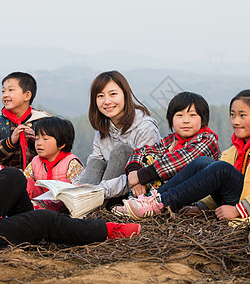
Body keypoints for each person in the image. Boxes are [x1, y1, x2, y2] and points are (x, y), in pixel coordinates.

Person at [0, 120, 141, 268]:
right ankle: (107, 230)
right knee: (44, 219)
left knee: (14, 177)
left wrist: (7, 173)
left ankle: (32, 227)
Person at [114, 90, 250, 230]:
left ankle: (159, 204)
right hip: (239, 194)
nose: (235, 121)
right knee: (204, 163)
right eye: (233, 115)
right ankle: (151, 201)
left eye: (242, 115)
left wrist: (239, 210)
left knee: (220, 168)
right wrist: (201, 207)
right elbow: (213, 181)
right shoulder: (238, 146)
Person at [73, 71, 161, 200]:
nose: (107, 101)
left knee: (122, 150)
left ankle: (92, 205)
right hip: (102, 190)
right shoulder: (102, 130)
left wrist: (98, 191)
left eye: (113, 94)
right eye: (100, 96)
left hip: (134, 191)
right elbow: (94, 165)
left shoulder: (145, 127)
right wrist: (75, 186)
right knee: (95, 162)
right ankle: (80, 201)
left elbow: (142, 174)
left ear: (125, 94)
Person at [125, 91, 221, 197]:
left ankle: (148, 202)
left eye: (192, 115)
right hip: (168, 192)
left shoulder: (208, 139)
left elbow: (183, 159)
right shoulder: (172, 140)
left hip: (195, 195)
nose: (186, 121)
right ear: (171, 120)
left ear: (203, 120)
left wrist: (142, 175)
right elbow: (141, 151)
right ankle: (142, 200)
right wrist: (134, 172)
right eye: (179, 115)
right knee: (149, 156)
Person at [0, 72, 51, 170]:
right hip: (7, 179)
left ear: (27, 95)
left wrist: (37, 140)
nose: (5, 95)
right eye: (3, 91)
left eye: (10, 90)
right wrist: (10, 142)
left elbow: (56, 153)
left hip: (39, 178)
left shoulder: (43, 121)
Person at [24, 116, 83, 209]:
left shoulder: (71, 163)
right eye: (37, 138)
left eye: (45, 139)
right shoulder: (35, 161)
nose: (39, 143)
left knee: (65, 184)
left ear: (62, 144)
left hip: (62, 206)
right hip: (37, 202)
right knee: (25, 181)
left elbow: (78, 191)